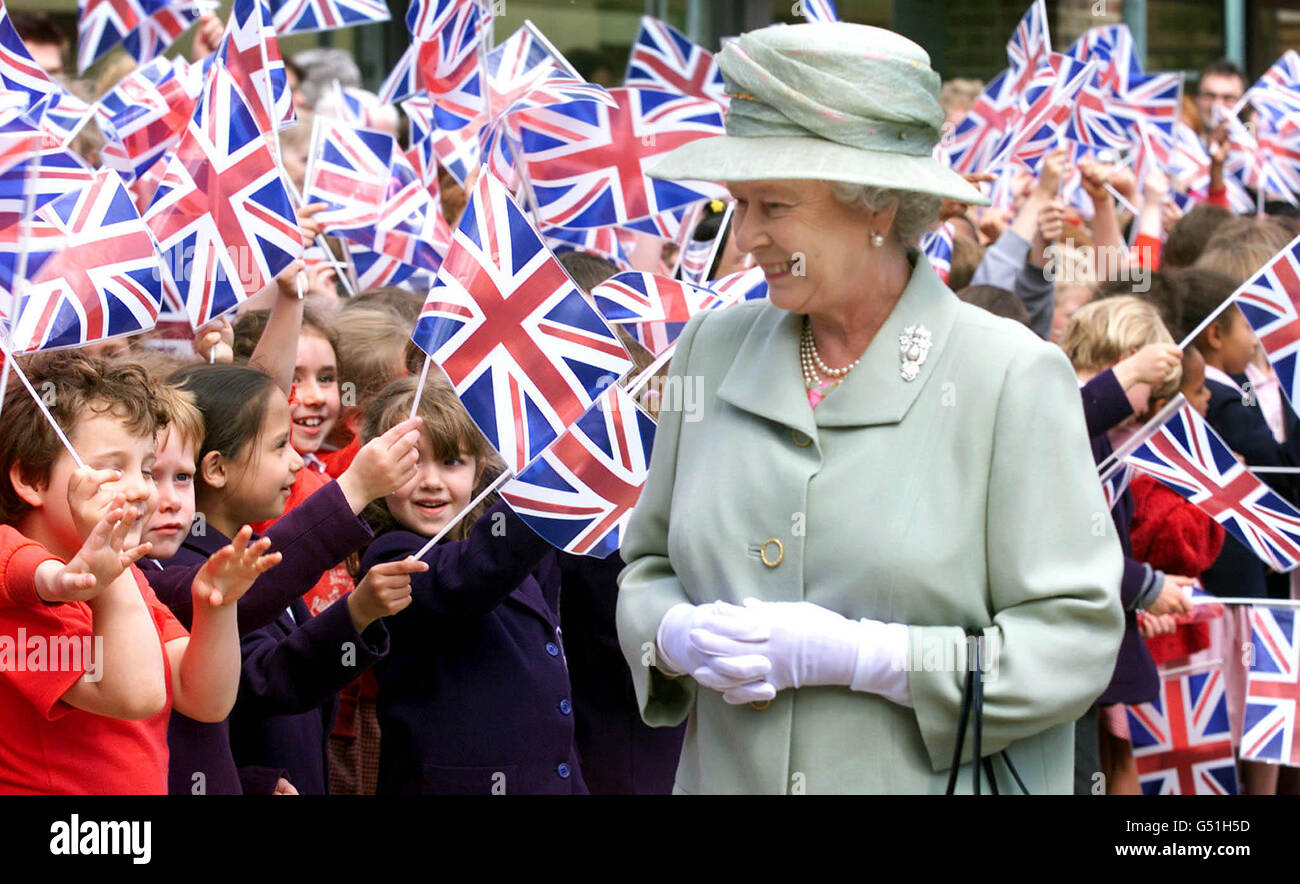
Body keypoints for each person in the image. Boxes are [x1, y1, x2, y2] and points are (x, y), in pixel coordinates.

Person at [616, 22, 1124, 794]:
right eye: (739, 204)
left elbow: (1074, 643)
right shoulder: (711, 351)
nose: (746, 236)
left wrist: (872, 660)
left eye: (774, 205)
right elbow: (646, 567)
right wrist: (673, 635)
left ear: (878, 207)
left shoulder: (1008, 375)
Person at [0, 354, 279, 793]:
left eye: (146, 469)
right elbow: (137, 695)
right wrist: (108, 571)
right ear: (33, 479)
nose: (141, 490)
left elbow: (203, 698)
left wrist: (217, 608)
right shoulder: (20, 596)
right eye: (113, 468)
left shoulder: (127, 579)